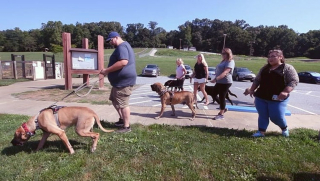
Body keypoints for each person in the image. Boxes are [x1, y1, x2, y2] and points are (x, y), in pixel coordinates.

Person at [246, 49, 299, 137]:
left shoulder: (287, 68)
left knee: (276, 117)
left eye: (273, 56)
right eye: (269, 56)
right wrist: (252, 89)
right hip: (261, 97)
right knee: (262, 115)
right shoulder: (265, 68)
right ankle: (261, 132)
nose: (270, 58)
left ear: (280, 57)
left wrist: (285, 91)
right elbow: (257, 80)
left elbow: (294, 81)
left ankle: (284, 128)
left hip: (278, 98)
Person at [100, 32, 137, 133]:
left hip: (124, 82)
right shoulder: (124, 46)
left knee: (123, 104)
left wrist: (107, 71)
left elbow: (123, 62)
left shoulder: (122, 46)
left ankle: (126, 127)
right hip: (119, 82)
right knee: (114, 99)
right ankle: (122, 120)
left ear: (116, 37)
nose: (110, 43)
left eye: (111, 40)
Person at [210, 48, 235, 120]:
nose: (222, 55)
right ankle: (223, 108)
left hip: (226, 82)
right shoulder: (223, 61)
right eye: (222, 53)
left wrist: (216, 79)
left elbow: (225, 72)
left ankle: (221, 114)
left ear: (228, 54)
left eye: (224, 53)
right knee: (213, 93)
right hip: (220, 82)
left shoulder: (230, 61)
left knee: (222, 96)